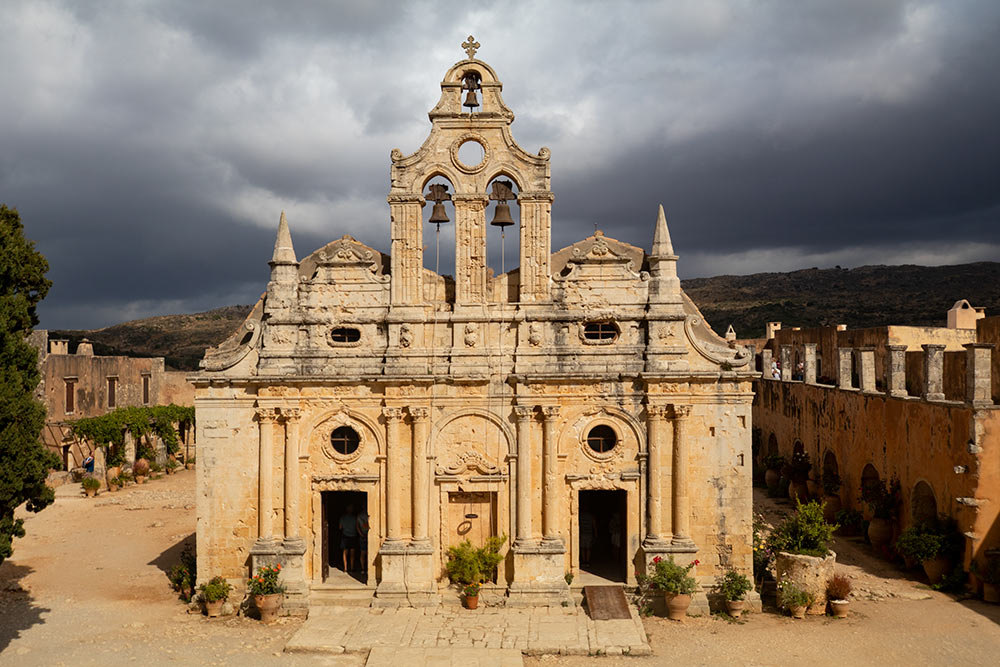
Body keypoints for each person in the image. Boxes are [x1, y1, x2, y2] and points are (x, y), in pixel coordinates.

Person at [339, 504, 359, 572]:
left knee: (345, 552)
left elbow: (340, 527)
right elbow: (357, 527)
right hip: (353, 536)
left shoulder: (343, 518)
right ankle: (352, 567)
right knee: (352, 553)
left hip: (345, 536)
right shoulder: (355, 518)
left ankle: (345, 568)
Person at [356, 509, 370, 576]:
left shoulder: (359, 516)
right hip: (364, 536)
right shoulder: (361, 516)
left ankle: (364, 568)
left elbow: (357, 526)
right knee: (364, 553)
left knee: (364, 553)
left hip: (363, 535)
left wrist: (361, 534)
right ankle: (364, 568)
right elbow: (357, 526)